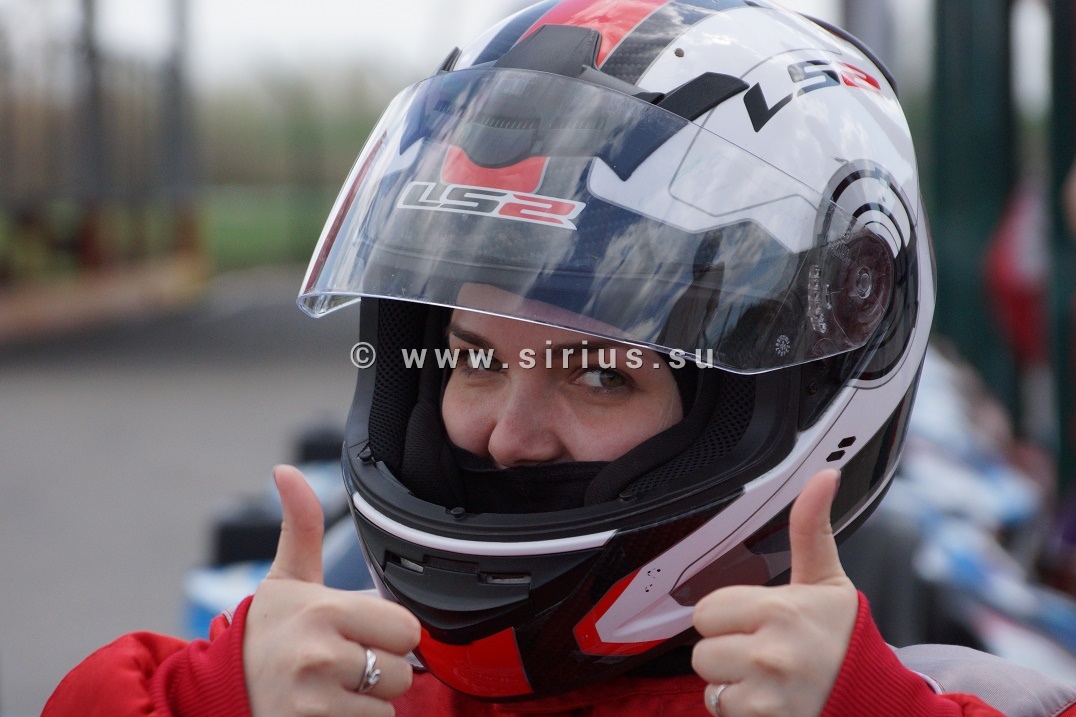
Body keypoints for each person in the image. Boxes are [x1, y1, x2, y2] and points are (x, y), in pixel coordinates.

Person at [44, 1, 1076, 715]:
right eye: (474, 357)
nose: (507, 434)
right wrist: (210, 701)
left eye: (598, 374)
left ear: (779, 398)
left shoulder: (942, 699)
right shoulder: (326, 683)